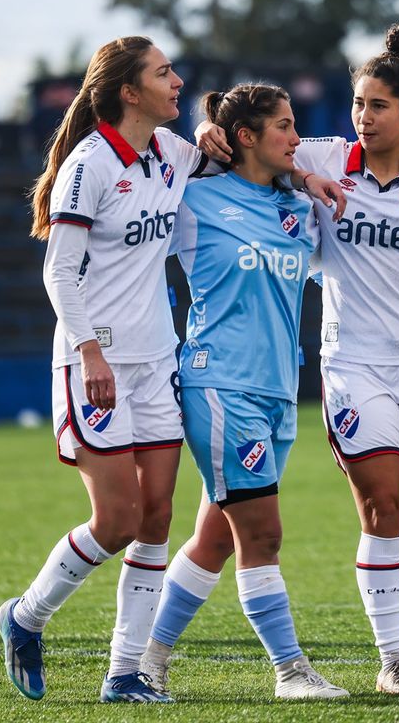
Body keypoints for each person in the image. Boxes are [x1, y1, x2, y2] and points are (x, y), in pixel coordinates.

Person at [197, 23, 399, 694]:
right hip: (354, 366)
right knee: (382, 508)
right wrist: (209, 134)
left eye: (378, 106)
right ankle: (391, 659)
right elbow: (247, 138)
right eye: (358, 104)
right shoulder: (324, 153)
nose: (363, 118)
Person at [0, 36, 211, 704]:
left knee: (156, 519)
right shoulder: (88, 165)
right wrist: (89, 350)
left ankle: (124, 674)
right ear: (128, 91)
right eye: (163, 73)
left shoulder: (173, 153)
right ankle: (24, 616)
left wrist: (210, 127)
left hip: (157, 361)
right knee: (116, 521)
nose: (177, 82)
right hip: (97, 362)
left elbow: (221, 146)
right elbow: (59, 270)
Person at [136, 83, 348, 701]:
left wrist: (305, 180)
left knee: (217, 537)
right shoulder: (195, 199)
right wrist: (203, 144)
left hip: (280, 390)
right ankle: (290, 671)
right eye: (282, 126)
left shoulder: (299, 207)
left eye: (294, 124)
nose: (295, 136)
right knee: (263, 535)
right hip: (220, 383)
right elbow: (137, 202)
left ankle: (148, 660)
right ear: (246, 136)